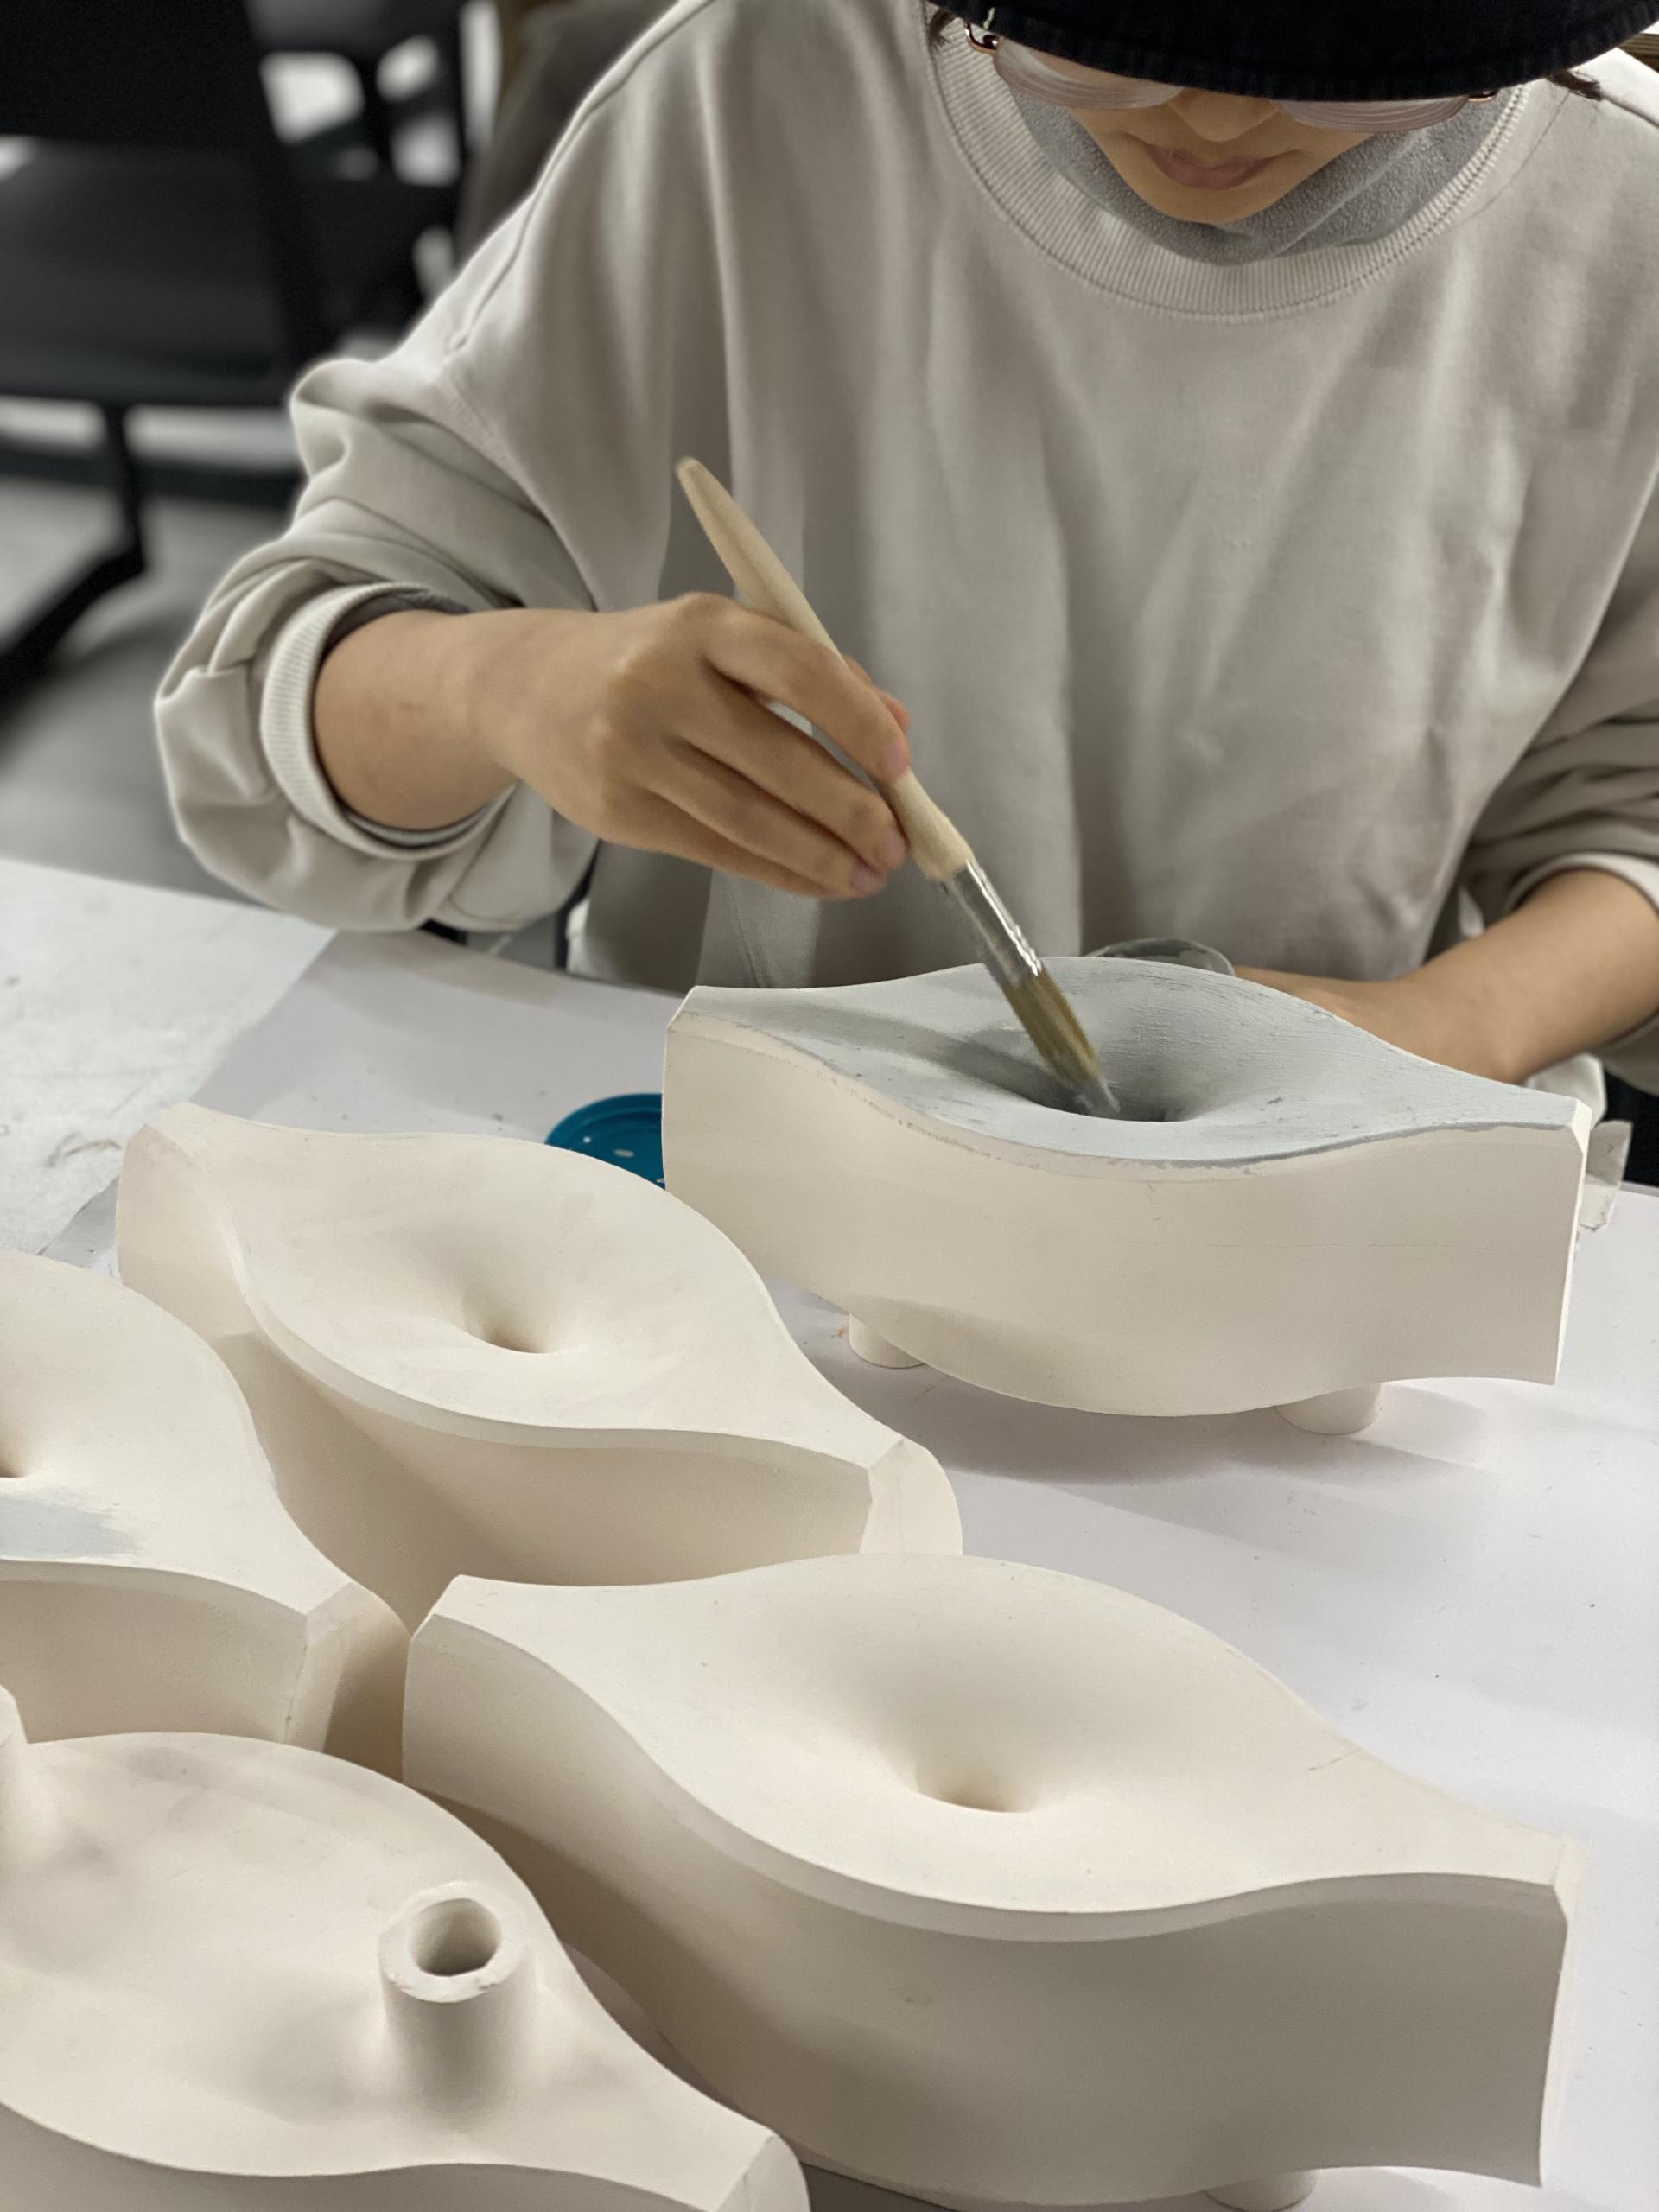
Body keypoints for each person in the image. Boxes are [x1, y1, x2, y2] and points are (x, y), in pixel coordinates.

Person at [160, 0, 1659, 1108]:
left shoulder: (1615, 225)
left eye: (1349, 84)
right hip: (743, 1208)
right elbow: (263, 714)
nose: (1209, 119)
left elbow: (1634, 812)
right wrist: (513, 688)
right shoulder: (755, 96)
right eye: (1099, 42)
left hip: (1311, 1227)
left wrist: (1451, 1029)